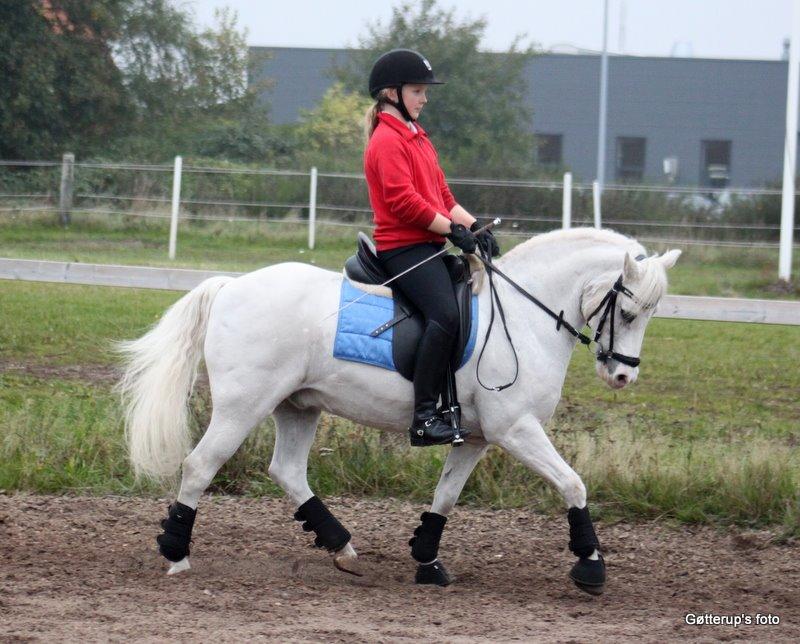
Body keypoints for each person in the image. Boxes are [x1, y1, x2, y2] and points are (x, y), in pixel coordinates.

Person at [363, 49, 500, 447]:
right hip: (403, 248)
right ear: (392, 93)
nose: (424, 99)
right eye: (418, 91)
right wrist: (453, 230)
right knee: (444, 314)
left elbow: (441, 194)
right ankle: (423, 416)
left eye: (424, 92)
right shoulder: (387, 140)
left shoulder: (418, 138)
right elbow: (405, 201)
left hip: (428, 244)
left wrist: (473, 225)